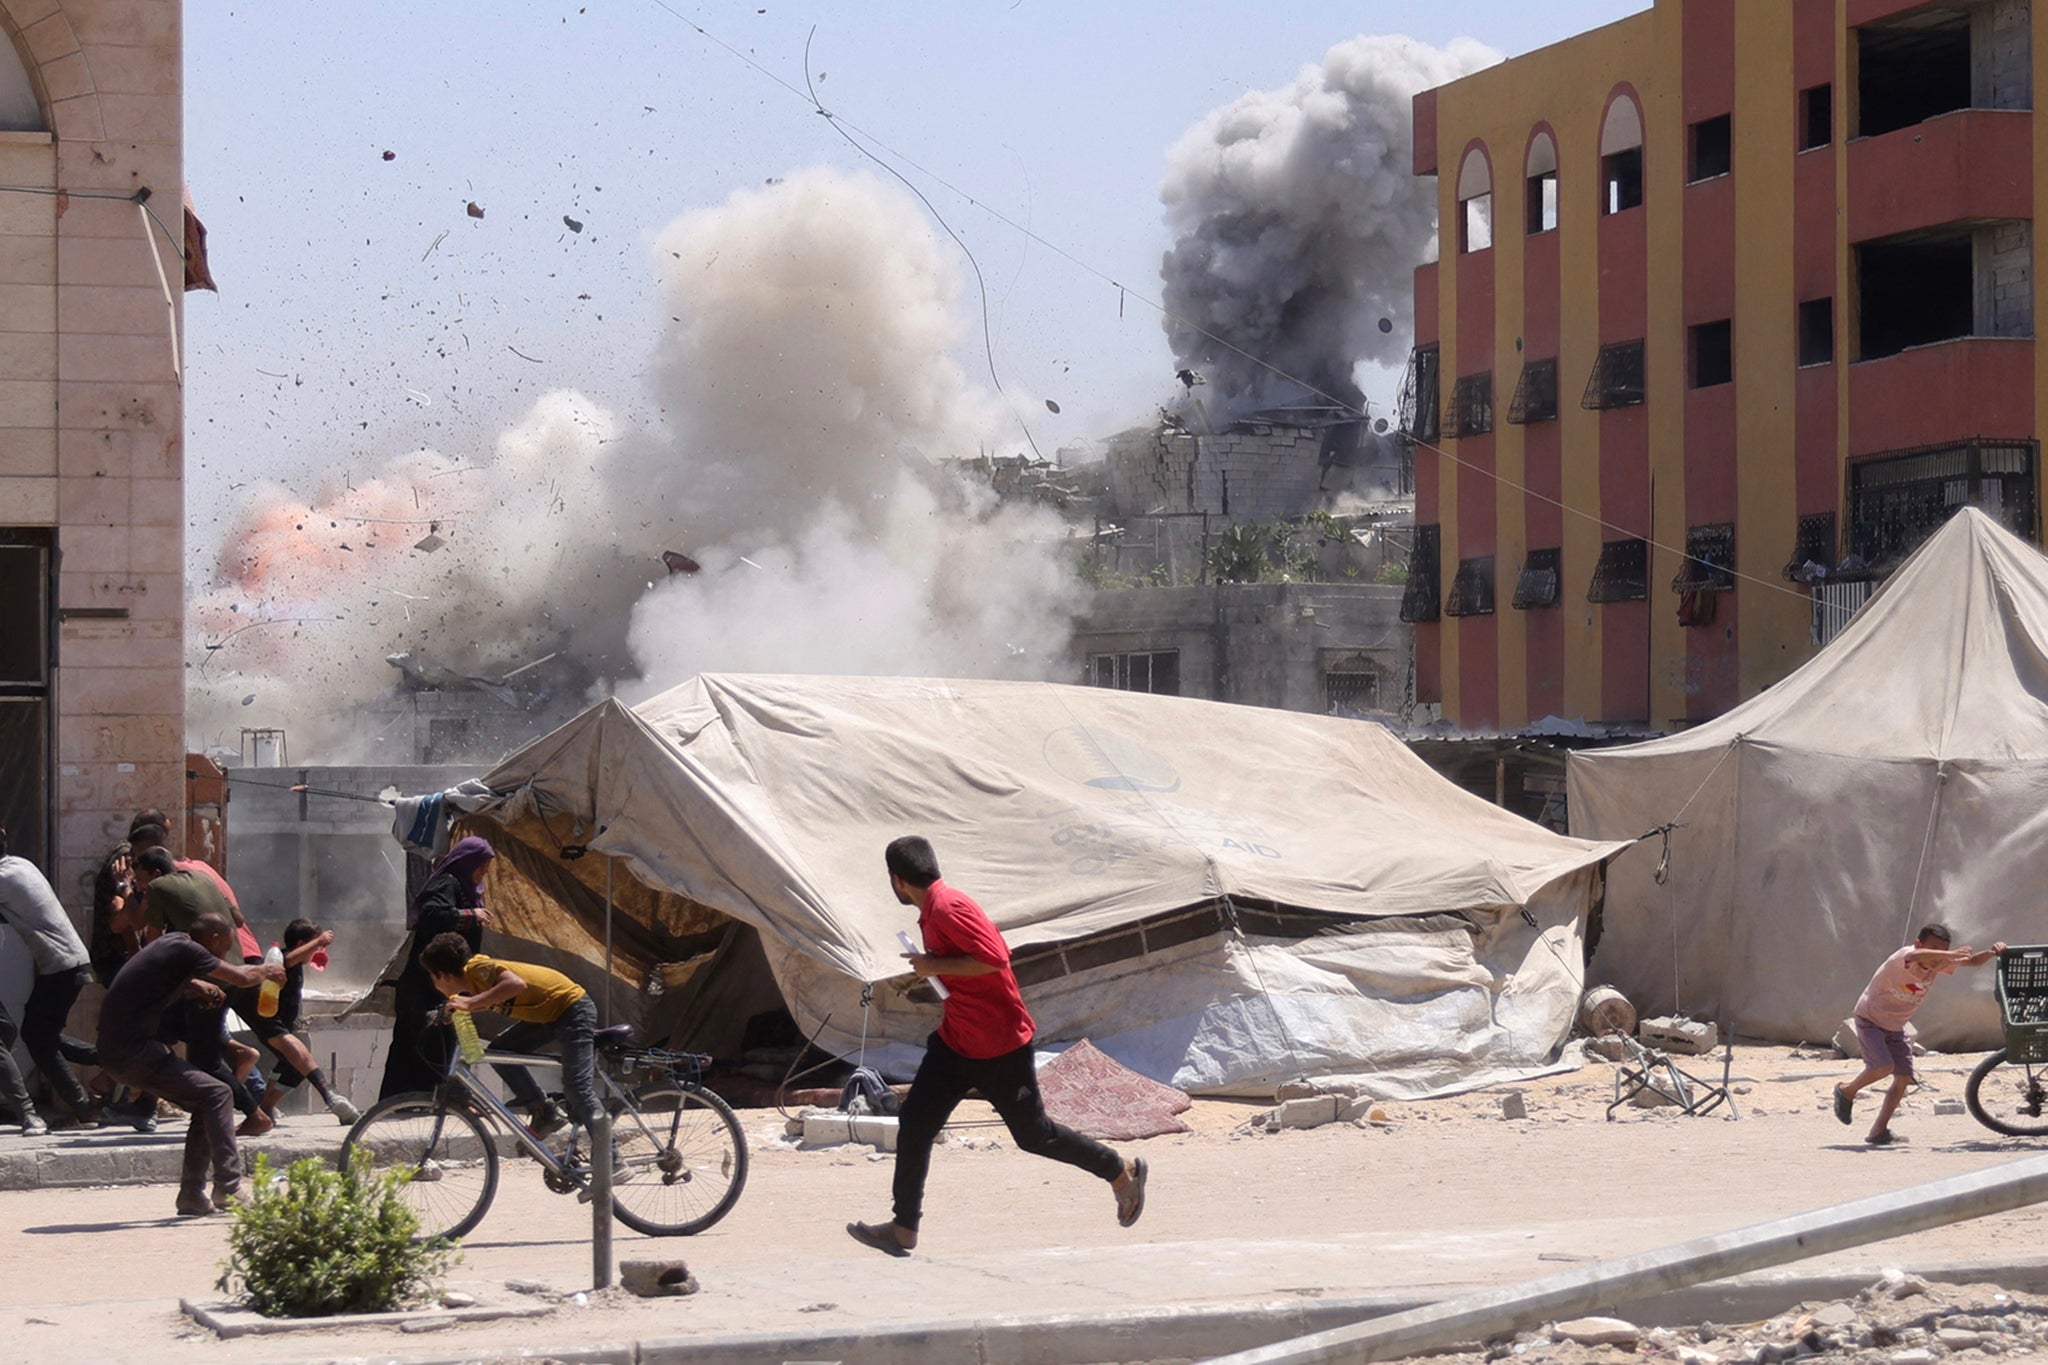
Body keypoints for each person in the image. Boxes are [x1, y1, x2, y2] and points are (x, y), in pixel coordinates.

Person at [847, 836, 1148, 1257]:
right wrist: (931, 977)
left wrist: (934, 965)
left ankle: (1120, 1171)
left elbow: (995, 958)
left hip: (1000, 1045)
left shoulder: (950, 906)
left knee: (1034, 1135)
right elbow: (970, 971)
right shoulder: (931, 911)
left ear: (897, 881)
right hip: (957, 1041)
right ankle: (903, 1228)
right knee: (915, 1123)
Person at [95, 913, 285, 1216]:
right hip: (133, 1051)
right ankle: (229, 1187)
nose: (224, 954)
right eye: (225, 946)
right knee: (219, 1093)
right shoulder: (190, 950)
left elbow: (160, 978)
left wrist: (196, 986)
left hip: (120, 1049)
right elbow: (243, 976)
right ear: (213, 940)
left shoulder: (174, 943)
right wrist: (269, 969)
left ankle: (192, 1196)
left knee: (207, 1098)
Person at [134, 850, 271, 1134]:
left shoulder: (159, 888)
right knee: (163, 1032)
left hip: (208, 982)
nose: (140, 887)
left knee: (204, 1060)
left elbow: (152, 942)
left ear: (156, 874)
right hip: (233, 969)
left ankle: (254, 1114)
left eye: (141, 880)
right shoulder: (203, 877)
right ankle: (145, 1105)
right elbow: (238, 918)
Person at [1835, 922, 2005, 1146]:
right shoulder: (1904, 957)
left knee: (1903, 1077)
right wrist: (1950, 954)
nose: (1937, 957)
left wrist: (1993, 952)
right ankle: (1846, 1091)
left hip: (1896, 1026)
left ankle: (1879, 1130)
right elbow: (1917, 955)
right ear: (1919, 944)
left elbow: (1972, 961)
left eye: (1942, 951)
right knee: (1882, 1067)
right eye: (1934, 949)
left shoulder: (1937, 962)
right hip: (1871, 1019)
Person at [417, 931, 598, 1139]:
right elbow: (490, 999)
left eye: (432, 978)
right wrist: (464, 1007)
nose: (435, 985)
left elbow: (516, 985)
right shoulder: (474, 981)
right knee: (500, 1053)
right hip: (549, 1014)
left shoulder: (477, 968)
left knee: (577, 1089)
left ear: (443, 975)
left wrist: (471, 1003)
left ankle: (611, 1158)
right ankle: (543, 1111)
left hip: (572, 1009)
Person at [0, 828, 101, 1133]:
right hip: (65, 962)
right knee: (40, 1035)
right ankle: (108, 1064)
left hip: (61, 964)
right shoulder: (21, 865)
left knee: (38, 1039)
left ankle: (84, 1104)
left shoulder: (3, 878)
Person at [379, 837, 496, 1100]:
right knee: (421, 1045)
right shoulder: (448, 883)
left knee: (457, 1041)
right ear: (468, 864)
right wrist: (468, 916)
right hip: (425, 986)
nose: (483, 874)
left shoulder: (467, 890)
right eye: (481, 867)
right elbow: (431, 915)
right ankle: (409, 1103)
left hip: (452, 985)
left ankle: (454, 1098)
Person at [248, 918, 361, 1125]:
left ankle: (264, 1108)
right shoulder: (281, 959)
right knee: (298, 1067)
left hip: (284, 1026)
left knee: (287, 1064)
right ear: (302, 944)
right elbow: (289, 958)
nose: (318, 951)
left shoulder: (297, 964)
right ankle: (267, 1107)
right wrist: (319, 941)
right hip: (272, 1025)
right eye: (314, 945)